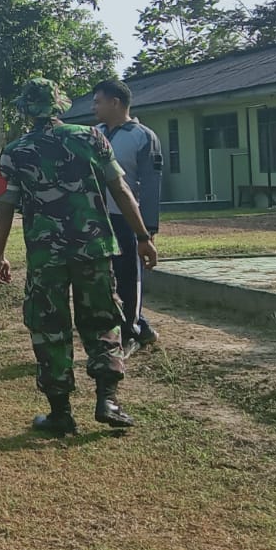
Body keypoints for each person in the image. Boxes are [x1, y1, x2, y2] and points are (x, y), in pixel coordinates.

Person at [0, 78, 158, 435]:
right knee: (101, 322)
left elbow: (5, 207)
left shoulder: (15, 151)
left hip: (45, 255)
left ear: (25, 109)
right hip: (93, 249)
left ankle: (60, 412)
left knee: (49, 328)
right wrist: (143, 237)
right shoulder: (92, 138)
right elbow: (121, 189)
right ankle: (108, 400)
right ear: (59, 105)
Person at [91, 79, 164, 358]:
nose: (94, 107)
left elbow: (150, 185)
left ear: (115, 103)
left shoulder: (143, 136)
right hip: (97, 219)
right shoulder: (93, 133)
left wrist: (148, 229)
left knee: (128, 276)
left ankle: (131, 332)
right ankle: (138, 326)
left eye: (98, 101)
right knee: (103, 279)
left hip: (126, 220)